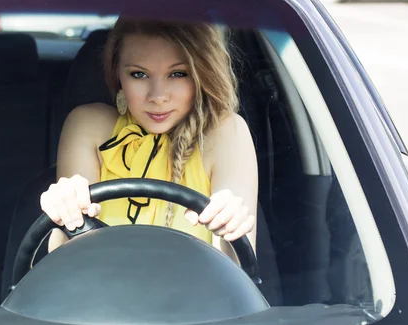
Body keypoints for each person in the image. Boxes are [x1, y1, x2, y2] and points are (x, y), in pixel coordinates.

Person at [40, 16, 258, 256]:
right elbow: (71, 258)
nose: (158, 96)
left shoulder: (225, 133)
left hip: (197, 292)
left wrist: (230, 226)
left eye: (177, 74)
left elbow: (236, 271)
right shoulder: (88, 126)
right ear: (117, 75)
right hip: (100, 289)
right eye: (139, 75)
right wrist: (64, 211)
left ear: (201, 74)